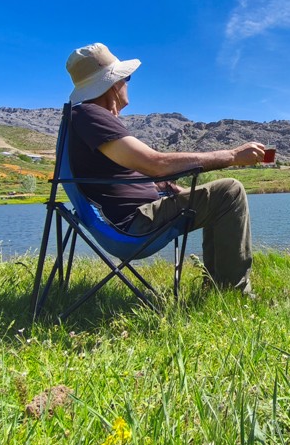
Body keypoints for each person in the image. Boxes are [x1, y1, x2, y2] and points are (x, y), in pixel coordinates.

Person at [66, 42, 265, 295]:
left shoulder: (86, 117)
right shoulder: (91, 115)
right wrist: (233, 155)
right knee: (230, 191)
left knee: (217, 196)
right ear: (113, 84)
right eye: (126, 78)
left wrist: (172, 188)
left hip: (127, 220)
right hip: (133, 225)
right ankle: (233, 293)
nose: (127, 83)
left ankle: (219, 287)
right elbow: (155, 164)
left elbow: (133, 174)